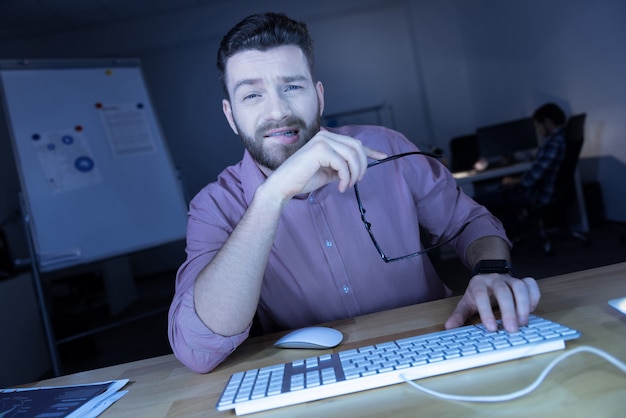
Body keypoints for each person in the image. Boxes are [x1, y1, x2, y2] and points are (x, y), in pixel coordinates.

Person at [168, 12, 540, 373]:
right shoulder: (214, 206)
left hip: (437, 344)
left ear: (319, 97)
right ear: (231, 116)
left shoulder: (384, 146)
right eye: (252, 96)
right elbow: (199, 348)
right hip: (316, 375)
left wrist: (492, 270)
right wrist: (271, 195)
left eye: (292, 87)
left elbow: (469, 220)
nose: (278, 110)